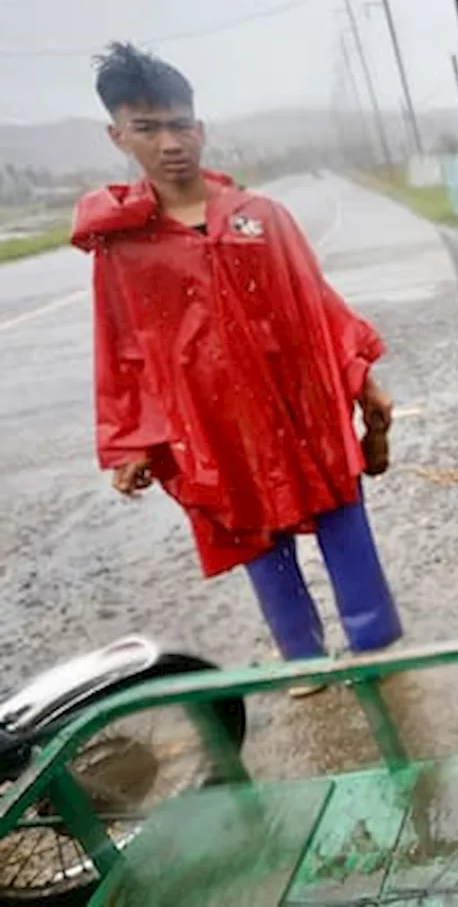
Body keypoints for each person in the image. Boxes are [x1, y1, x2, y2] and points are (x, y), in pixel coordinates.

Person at [73, 43, 403, 688]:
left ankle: (375, 644)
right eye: (147, 128)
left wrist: (362, 378)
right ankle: (301, 658)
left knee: (341, 511)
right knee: (255, 533)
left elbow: (317, 305)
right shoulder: (124, 250)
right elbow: (121, 345)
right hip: (214, 423)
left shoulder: (261, 219)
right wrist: (130, 440)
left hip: (301, 403)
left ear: (200, 126)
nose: (170, 142)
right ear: (119, 136)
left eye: (180, 124)